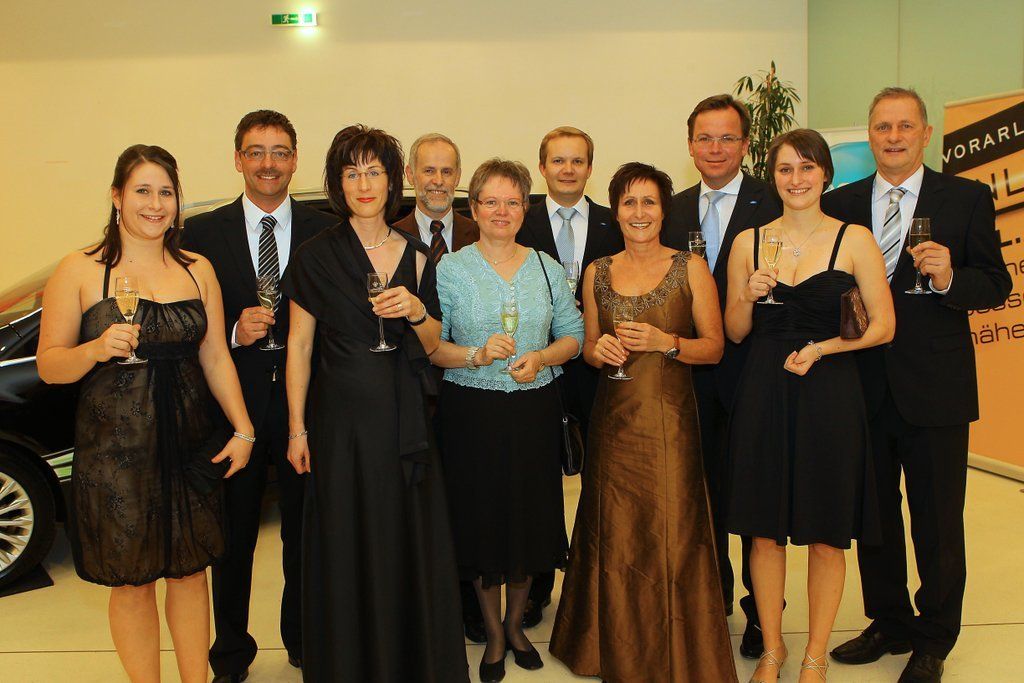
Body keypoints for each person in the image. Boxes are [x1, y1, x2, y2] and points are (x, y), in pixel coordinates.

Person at [36, 144, 254, 683]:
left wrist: (244, 428)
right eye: (142, 191)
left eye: (166, 193)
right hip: (116, 452)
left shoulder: (197, 269)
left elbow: (215, 356)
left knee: (191, 574)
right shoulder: (80, 269)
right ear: (117, 197)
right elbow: (49, 366)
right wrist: (94, 349)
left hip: (190, 443)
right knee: (132, 582)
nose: (155, 204)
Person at [824, 88, 1011, 683]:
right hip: (861, 385)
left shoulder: (967, 198)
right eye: (883, 126)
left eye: (906, 126)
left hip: (936, 388)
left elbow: (996, 285)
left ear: (926, 134)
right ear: (871, 135)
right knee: (874, 518)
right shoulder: (839, 203)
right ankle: (889, 621)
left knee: (938, 522)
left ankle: (933, 638)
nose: (894, 136)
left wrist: (951, 277)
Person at [282, 124, 469, 683]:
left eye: (374, 172)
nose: (364, 184)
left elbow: (433, 345)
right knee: (346, 541)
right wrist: (297, 428)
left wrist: (416, 310)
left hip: (403, 422)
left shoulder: (419, 257)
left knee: (403, 540)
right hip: (339, 425)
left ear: (393, 181)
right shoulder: (315, 255)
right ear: (337, 183)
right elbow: (299, 347)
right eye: (351, 173)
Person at [551, 162, 736, 683]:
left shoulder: (690, 268)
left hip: (670, 424)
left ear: (664, 211)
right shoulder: (597, 271)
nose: (639, 213)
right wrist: (599, 351)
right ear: (616, 210)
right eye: (629, 202)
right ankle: (609, 646)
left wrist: (666, 343)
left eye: (649, 202)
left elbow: (715, 348)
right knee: (614, 530)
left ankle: (674, 647)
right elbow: (589, 346)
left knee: (672, 529)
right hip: (613, 423)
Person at [724, 129, 896, 682]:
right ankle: (773, 648)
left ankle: (816, 654)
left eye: (806, 167)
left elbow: (884, 326)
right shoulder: (748, 241)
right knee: (764, 531)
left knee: (826, 532)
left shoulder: (854, 239)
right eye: (784, 169)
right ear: (771, 177)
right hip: (764, 390)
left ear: (825, 174)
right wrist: (747, 295)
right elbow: (734, 330)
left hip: (830, 392)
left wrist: (823, 349)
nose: (796, 179)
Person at [182, 109, 334, 682]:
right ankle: (230, 654)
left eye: (279, 152)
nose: (268, 163)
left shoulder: (327, 228)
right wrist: (230, 332)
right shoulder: (201, 234)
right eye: (256, 151)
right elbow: (183, 321)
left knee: (304, 534)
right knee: (233, 538)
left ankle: (302, 641)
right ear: (238, 159)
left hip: (306, 409)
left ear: (295, 160)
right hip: (233, 412)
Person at [431, 158, 583, 683]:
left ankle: (517, 626)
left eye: (512, 201)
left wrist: (541, 357)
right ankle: (493, 633)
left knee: (527, 523)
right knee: (483, 525)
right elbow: (431, 347)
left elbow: (574, 336)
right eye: (491, 201)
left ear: (525, 208)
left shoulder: (545, 266)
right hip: (471, 416)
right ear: (473, 209)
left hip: (533, 413)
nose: (502, 211)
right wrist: (475, 354)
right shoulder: (450, 269)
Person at [660, 95, 782, 658]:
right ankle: (714, 602)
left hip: (759, 374)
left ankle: (763, 613)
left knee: (758, 499)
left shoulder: (776, 201)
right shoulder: (671, 209)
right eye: (705, 138)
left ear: (746, 145)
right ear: (690, 146)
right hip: (687, 375)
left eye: (727, 138)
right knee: (702, 497)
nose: (715, 148)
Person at [514, 126, 623, 628]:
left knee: (603, 479)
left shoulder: (613, 222)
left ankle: (595, 582)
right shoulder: (520, 219)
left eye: (577, 160)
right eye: (558, 160)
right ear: (542, 168)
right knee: (538, 480)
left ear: (590, 168)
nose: (567, 169)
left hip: (601, 367)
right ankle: (536, 587)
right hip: (538, 366)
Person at [395, 132, 479, 263]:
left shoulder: (480, 235)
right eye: (429, 171)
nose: (438, 181)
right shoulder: (392, 237)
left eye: (446, 172)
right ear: (410, 175)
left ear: (457, 177)